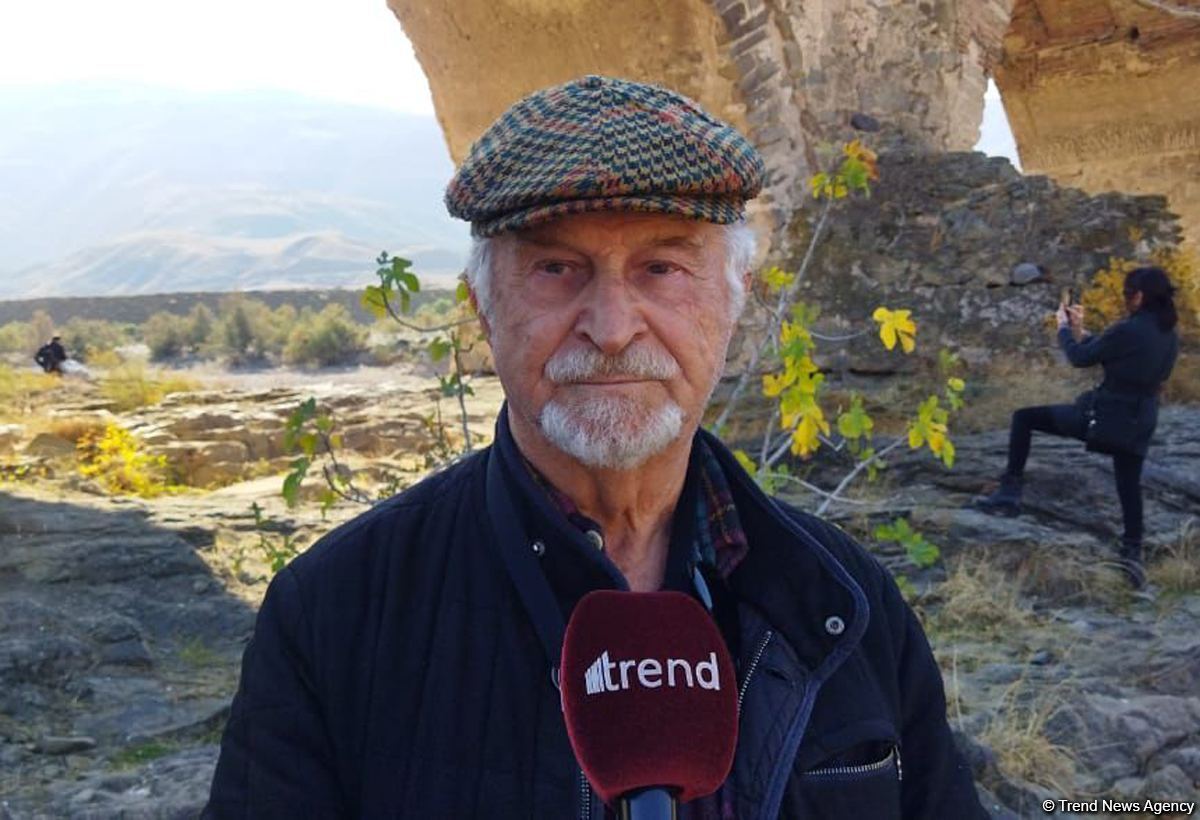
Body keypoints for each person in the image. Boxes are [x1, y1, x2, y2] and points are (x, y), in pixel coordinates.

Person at [205, 76, 985, 818]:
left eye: (662, 267)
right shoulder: (335, 612)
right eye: (555, 268)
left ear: (734, 299)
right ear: (482, 309)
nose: (611, 328)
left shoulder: (847, 602)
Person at [976, 267, 1180, 587]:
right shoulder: (1168, 334)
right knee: (1129, 484)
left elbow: (1079, 357)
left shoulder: (1128, 329)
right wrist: (1080, 330)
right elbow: (1111, 350)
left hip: (1105, 418)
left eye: (1127, 294)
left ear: (1140, 296)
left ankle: (1009, 492)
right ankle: (1132, 554)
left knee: (1024, 418)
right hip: (1141, 421)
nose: (1126, 299)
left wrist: (1063, 329)